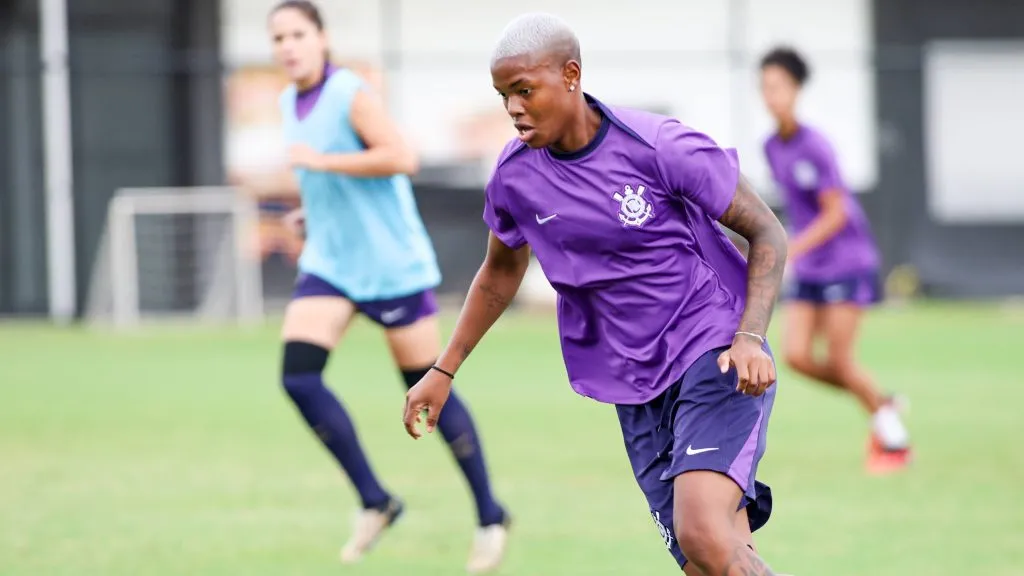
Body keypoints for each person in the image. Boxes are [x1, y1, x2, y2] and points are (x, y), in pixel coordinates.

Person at [404, 13, 790, 576]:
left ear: (571, 74)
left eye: (524, 90)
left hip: (716, 351)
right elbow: (499, 271)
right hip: (631, 383)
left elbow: (767, 231)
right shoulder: (515, 177)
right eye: (503, 95)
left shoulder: (659, 147)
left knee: (703, 534)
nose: (513, 107)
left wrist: (750, 336)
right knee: (712, 560)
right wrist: (444, 369)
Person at [267, 2, 510, 572]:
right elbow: (327, 176)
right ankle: (376, 501)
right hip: (332, 264)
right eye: (278, 37)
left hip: (390, 266)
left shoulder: (348, 91)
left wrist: (323, 164)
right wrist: (312, 210)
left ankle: (489, 514)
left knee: (426, 388)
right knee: (298, 376)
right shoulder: (287, 100)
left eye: (298, 33)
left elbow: (401, 156)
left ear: (321, 38)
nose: (288, 46)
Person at [759, 47, 911, 474]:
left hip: (847, 260)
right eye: (765, 87)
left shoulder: (816, 145)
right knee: (794, 356)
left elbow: (837, 212)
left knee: (842, 360)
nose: (771, 96)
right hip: (811, 266)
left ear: (796, 90)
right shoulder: (771, 146)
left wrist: (792, 248)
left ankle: (895, 439)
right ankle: (880, 400)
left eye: (778, 87)